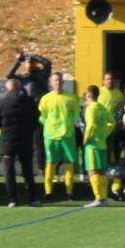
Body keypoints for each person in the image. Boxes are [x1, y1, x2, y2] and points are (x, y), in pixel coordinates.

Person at [0, 76, 40, 207]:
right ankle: (33, 199)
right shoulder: (30, 102)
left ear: (7, 89)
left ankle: (12, 199)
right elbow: (36, 123)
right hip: (25, 140)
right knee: (28, 171)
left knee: (9, 171)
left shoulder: (1, 103)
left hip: (8, 141)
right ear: (19, 88)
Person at [38, 72, 82, 201]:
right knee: (50, 163)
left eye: (59, 80)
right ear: (51, 83)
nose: (58, 82)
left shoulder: (71, 98)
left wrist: (71, 124)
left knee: (69, 163)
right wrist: (49, 125)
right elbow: (42, 116)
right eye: (55, 80)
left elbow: (76, 114)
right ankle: (48, 192)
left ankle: (69, 192)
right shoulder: (45, 99)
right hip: (51, 137)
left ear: (63, 82)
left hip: (67, 136)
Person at [80, 83, 115, 206]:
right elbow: (112, 122)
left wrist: (85, 139)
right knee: (102, 172)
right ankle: (104, 198)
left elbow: (90, 126)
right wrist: (105, 134)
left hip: (92, 144)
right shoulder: (102, 107)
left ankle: (98, 198)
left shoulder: (91, 108)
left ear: (89, 95)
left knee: (92, 171)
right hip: (102, 143)